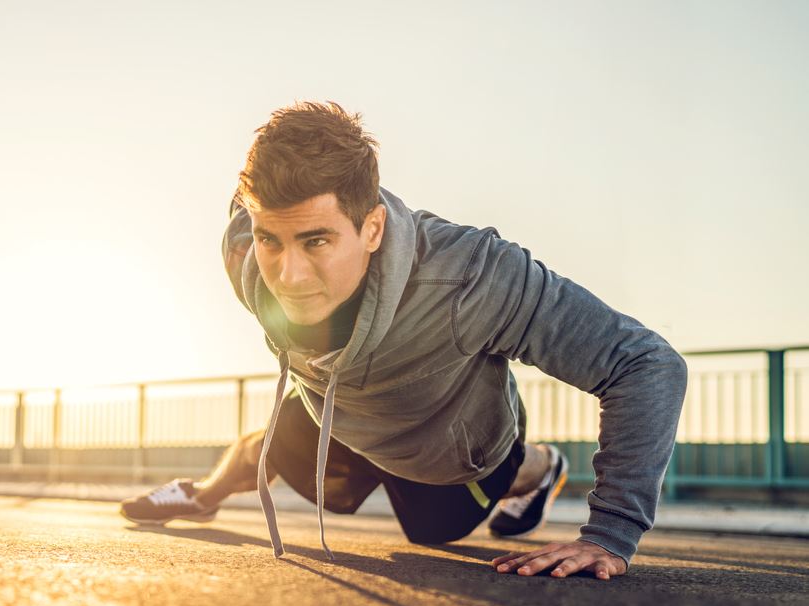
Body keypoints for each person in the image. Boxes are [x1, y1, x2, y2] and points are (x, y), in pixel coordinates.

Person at [120, 101, 688, 580]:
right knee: (269, 443)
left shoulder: (470, 277)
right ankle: (199, 495)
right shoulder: (245, 251)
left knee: (431, 534)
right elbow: (254, 222)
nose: (288, 277)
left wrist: (611, 534)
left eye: (316, 242)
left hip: (449, 450)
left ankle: (537, 466)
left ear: (372, 228)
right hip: (342, 414)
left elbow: (644, 363)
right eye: (273, 239)